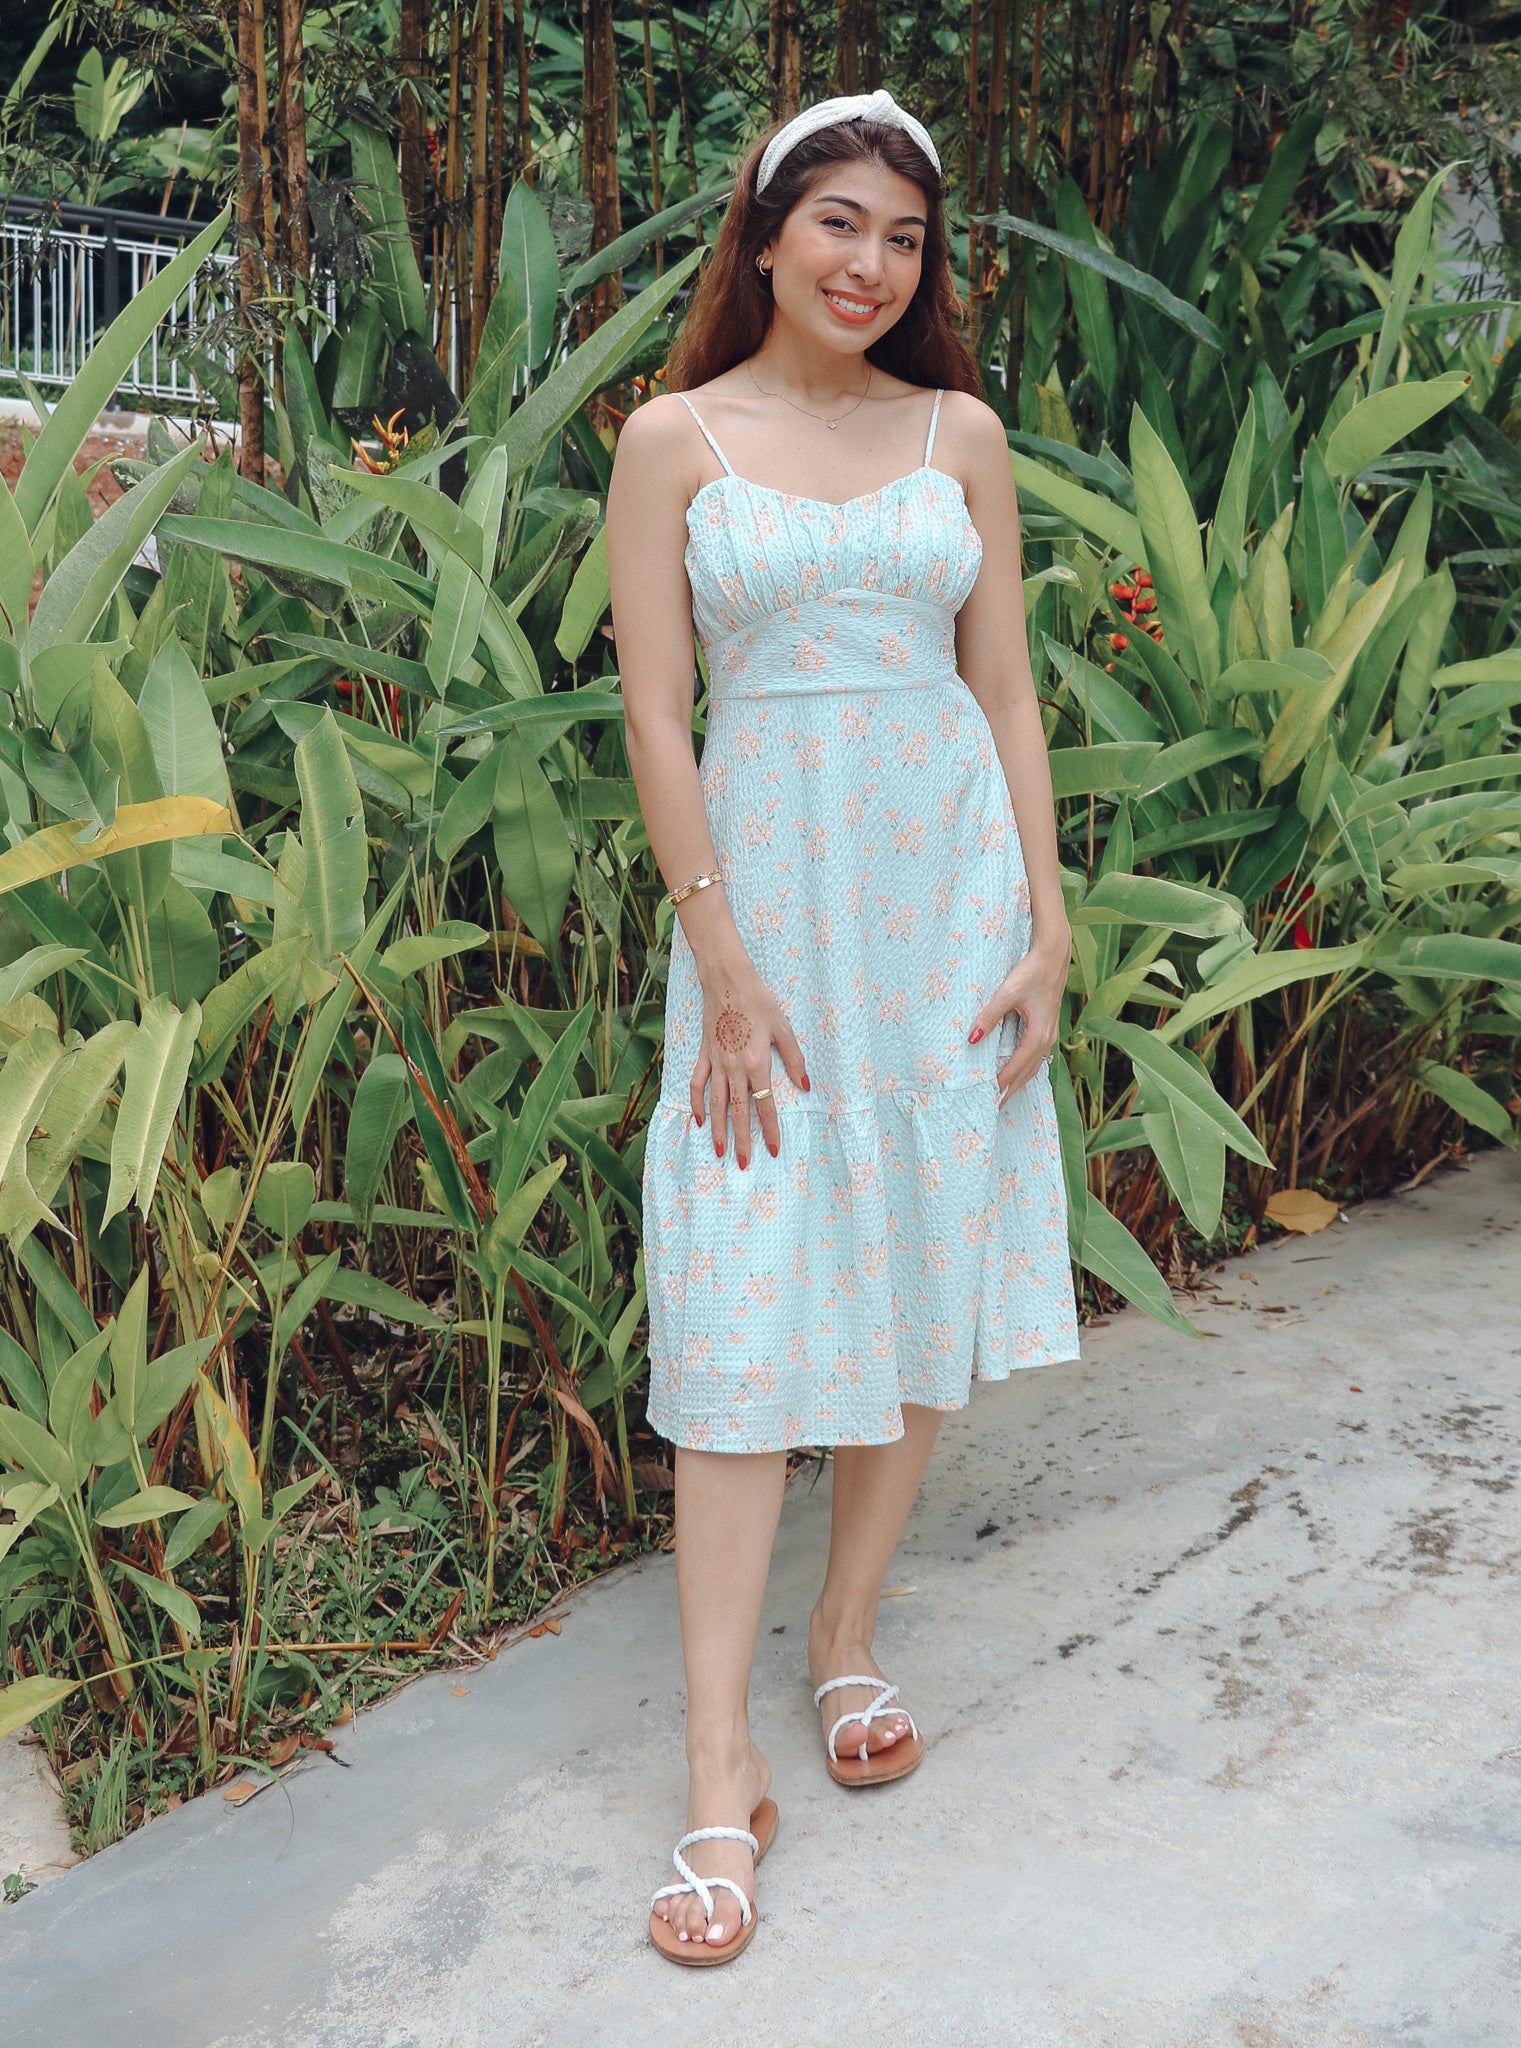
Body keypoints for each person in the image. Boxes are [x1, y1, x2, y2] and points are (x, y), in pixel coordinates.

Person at [605, 86, 1082, 1966]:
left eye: (901, 237)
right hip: (765, 928)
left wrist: (1047, 919)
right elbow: (655, 717)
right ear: (765, 235)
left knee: (910, 1283)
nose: (870, 265)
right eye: (839, 227)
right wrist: (716, 954)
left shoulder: (957, 436)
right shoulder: (673, 437)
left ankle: (844, 1637)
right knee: (736, 1312)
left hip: (944, 911)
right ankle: (719, 1768)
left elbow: (1013, 693)